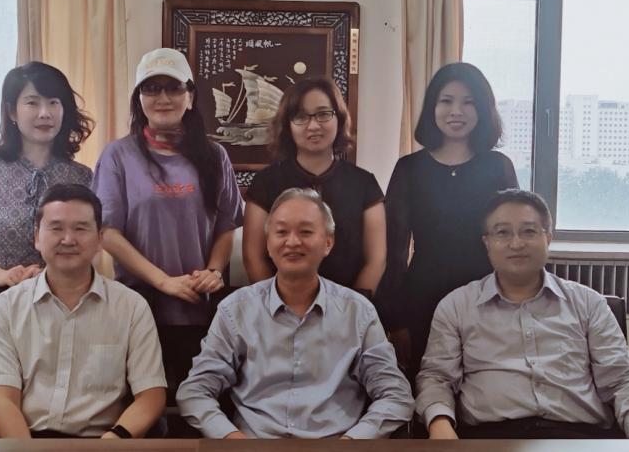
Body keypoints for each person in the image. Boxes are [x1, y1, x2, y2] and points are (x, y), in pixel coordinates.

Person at [417, 189, 629, 440]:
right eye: (502, 233)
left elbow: (622, 379)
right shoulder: (457, 306)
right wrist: (440, 425)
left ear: (548, 238)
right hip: (490, 438)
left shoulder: (588, 303)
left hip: (577, 437)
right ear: (487, 243)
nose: (516, 244)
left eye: (529, 231)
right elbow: (437, 378)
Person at [177, 188, 413, 438]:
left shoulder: (358, 312)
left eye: (306, 232)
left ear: (328, 243)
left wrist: (352, 442)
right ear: (268, 243)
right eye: (281, 232)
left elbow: (395, 395)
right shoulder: (236, 309)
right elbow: (195, 391)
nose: (292, 242)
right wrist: (233, 440)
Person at [0, 62, 94, 436]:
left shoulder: (82, 177)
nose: (44, 113)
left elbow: (89, 245)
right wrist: (1, 275)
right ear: (11, 111)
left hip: (54, 307)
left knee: (45, 409)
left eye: (54, 102)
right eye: (32, 102)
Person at [94, 47, 243, 397]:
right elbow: (107, 233)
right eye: (151, 88)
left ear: (190, 96)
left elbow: (226, 224)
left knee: (201, 404)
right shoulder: (118, 155)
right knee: (143, 404)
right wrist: (164, 282)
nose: (163, 98)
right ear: (139, 99)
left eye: (174, 87)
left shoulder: (215, 155)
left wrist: (214, 271)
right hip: (139, 305)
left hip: (200, 305)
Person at [0, 183, 166, 439]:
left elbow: (151, 396)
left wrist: (112, 441)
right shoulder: (5, 308)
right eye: (56, 228)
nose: (68, 239)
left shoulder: (131, 307)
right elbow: (3, 400)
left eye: (80, 228)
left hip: (103, 442)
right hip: (25, 441)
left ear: (99, 239)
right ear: (37, 237)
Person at [378, 62, 519, 371]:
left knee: (487, 383)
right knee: (427, 384)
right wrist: (394, 319)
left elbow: (513, 240)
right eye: (446, 101)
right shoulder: (409, 168)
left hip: (487, 296)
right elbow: (395, 252)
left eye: (468, 102)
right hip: (423, 296)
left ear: (483, 110)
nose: (457, 111)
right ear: (432, 107)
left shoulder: (498, 167)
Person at [242, 76, 385, 296]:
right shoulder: (266, 182)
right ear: (288, 125)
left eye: (323, 114)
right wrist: (277, 308)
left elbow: (376, 259)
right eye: (301, 116)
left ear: (339, 118)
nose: (314, 125)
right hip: (277, 308)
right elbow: (253, 257)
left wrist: (351, 308)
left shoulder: (364, 184)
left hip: (349, 308)